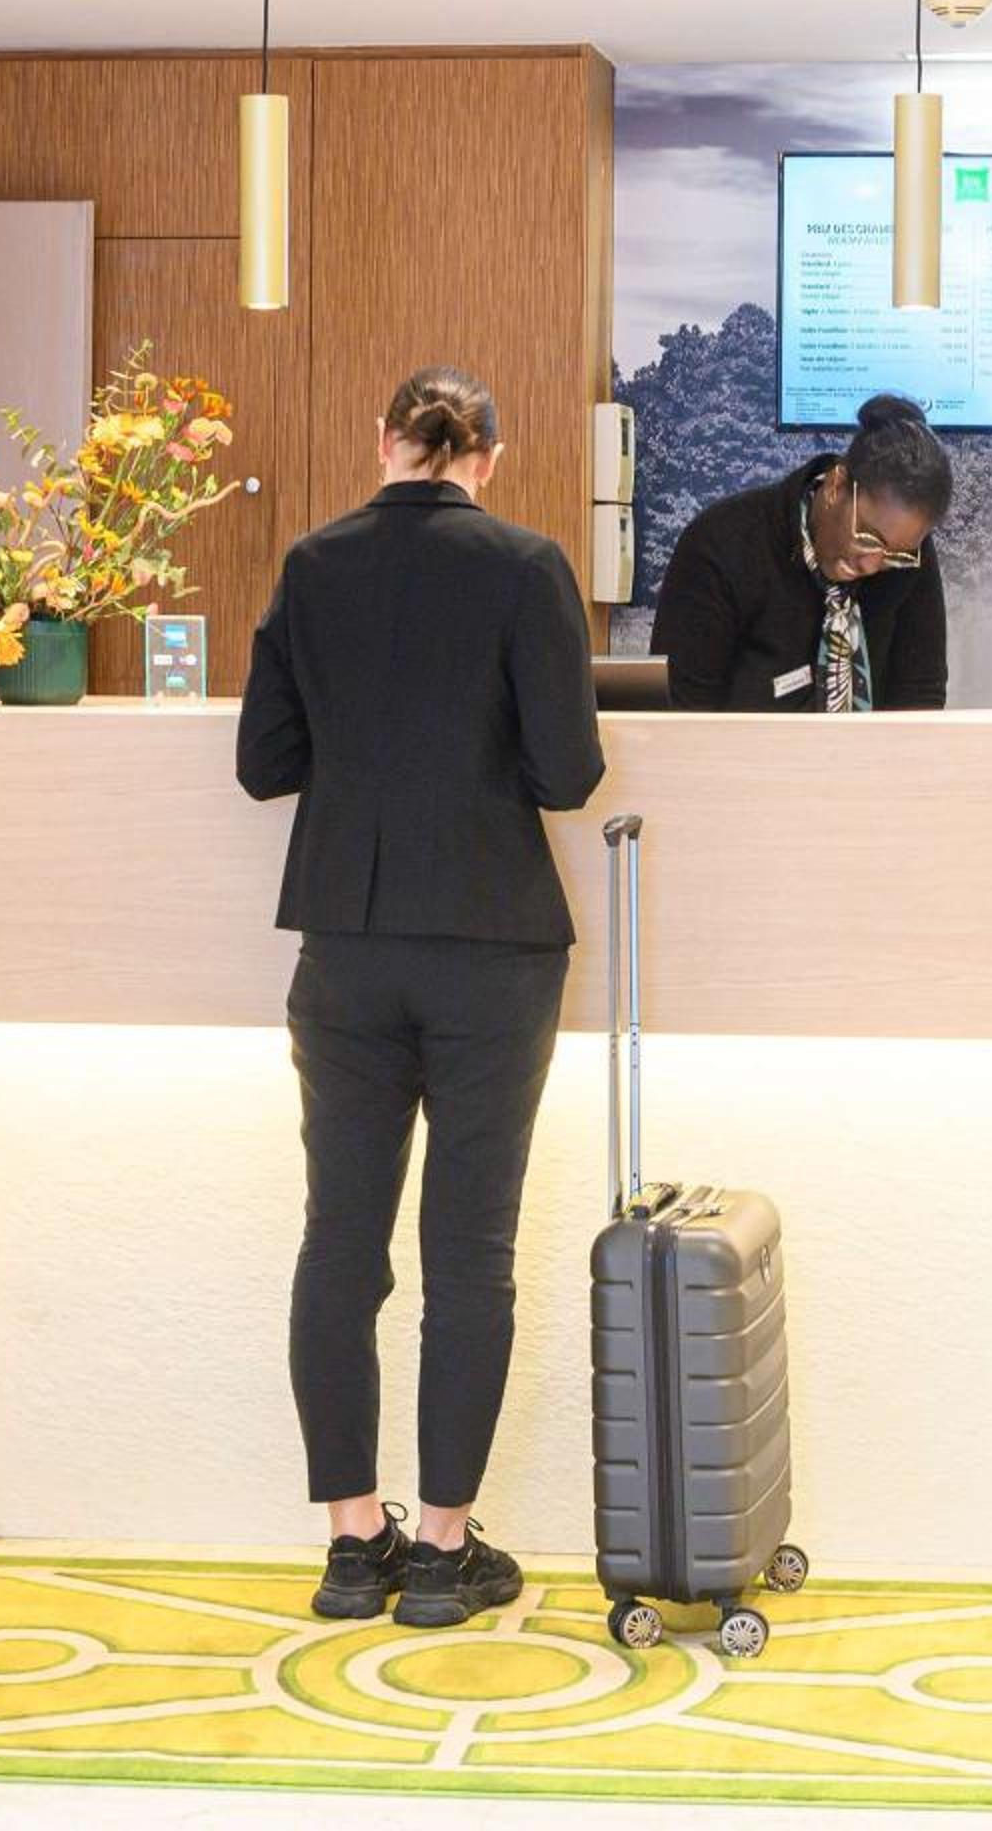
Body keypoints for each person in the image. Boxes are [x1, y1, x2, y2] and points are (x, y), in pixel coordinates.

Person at [236, 363, 606, 1630]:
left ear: (383, 439)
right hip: (494, 945)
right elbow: (568, 775)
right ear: (486, 456)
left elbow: (263, 763)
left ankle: (353, 1546)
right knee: (470, 1255)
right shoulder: (528, 567)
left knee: (339, 1244)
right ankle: (443, 1555)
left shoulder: (312, 564)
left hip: (345, 943)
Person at [651, 392, 953, 711]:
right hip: (741, 743)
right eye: (866, 536)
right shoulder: (721, 545)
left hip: (872, 745)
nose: (871, 564)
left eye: (894, 554)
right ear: (836, 486)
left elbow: (921, 694)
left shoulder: (907, 554)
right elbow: (682, 710)